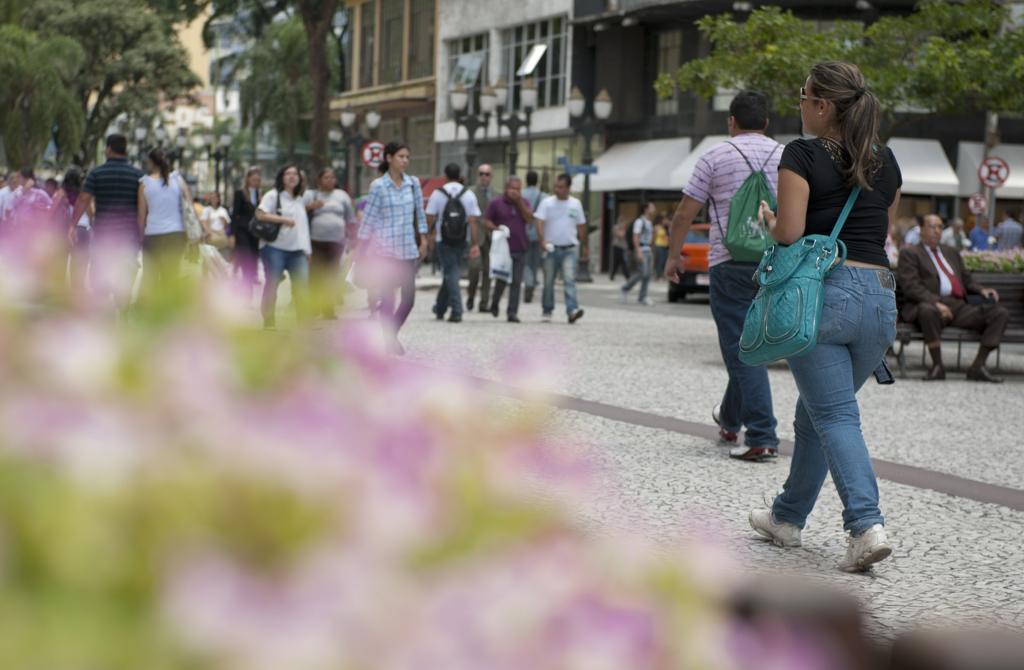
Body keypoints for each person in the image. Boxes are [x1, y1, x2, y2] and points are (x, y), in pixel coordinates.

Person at [751, 61, 902, 572]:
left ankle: (866, 527)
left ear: (821, 105)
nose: (799, 105)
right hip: (880, 298)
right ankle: (787, 518)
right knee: (816, 412)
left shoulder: (801, 153)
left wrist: (771, 220)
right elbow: (879, 231)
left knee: (835, 414)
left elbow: (790, 233)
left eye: (802, 97)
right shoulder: (888, 161)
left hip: (825, 296)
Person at [664, 90, 782, 461]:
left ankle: (762, 435)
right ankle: (730, 419)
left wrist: (673, 256)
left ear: (731, 121)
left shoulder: (714, 156)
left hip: (729, 263)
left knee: (740, 349)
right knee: (750, 346)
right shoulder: (786, 156)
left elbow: (685, 213)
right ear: (766, 122)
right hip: (774, 263)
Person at [897, 214, 1009, 383]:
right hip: (928, 304)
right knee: (927, 311)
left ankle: (978, 366)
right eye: (932, 226)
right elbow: (911, 286)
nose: (936, 231)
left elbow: (966, 278)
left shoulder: (951, 252)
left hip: (957, 307)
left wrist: (982, 290)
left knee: (999, 313)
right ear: (922, 230)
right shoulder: (910, 253)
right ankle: (937, 366)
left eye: (940, 227)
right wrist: (936, 302)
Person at [357, 141, 428, 354]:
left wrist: (423, 239)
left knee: (409, 299)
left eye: (407, 157)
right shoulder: (378, 186)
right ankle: (389, 341)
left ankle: (390, 335)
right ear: (389, 158)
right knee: (388, 298)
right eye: (401, 156)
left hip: (407, 248)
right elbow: (368, 219)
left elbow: (420, 214)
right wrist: (360, 248)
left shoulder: (413, 183)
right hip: (384, 250)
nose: (405, 161)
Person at [69, 134, 145, 310]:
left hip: (104, 235)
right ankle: (122, 314)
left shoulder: (96, 173)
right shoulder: (138, 175)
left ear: (109, 149)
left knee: (101, 277)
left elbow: (83, 198)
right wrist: (141, 235)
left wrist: (72, 224)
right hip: (129, 236)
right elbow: (143, 208)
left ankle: (102, 314)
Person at [254, 164, 312, 329]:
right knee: (272, 284)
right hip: (274, 248)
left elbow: (303, 227)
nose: (292, 176)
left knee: (301, 287)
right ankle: (269, 321)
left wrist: (308, 250)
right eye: (288, 174)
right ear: (282, 177)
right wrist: (283, 220)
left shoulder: (299, 199)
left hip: (297, 251)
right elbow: (259, 214)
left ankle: (302, 323)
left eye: (295, 174)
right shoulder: (273, 196)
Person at [425, 163, 481, 323]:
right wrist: (475, 243)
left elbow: (429, 216)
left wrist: (427, 236)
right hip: (462, 239)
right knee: (451, 272)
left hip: (443, 239)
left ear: (445, 175)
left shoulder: (438, 193)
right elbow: (473, 221)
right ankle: (440, 308)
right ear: (459, 175)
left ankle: (457, 310)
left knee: (451, 273)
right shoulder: (468, 194)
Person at [137, 148, 190, 297]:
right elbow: (189, 207)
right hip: (176, 234)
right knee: (171, 276)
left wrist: (140, 238)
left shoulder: (144, 183)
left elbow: (141, 216)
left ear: (151, 162)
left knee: (151, 277)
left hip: (152, 235)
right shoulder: (178, 180)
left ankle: (154, 314)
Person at [535, 173, 586, 324]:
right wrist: (542, 240)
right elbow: (539, 222)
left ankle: (572, 310)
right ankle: (547, 310)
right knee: (549, 281)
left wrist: (583, 245)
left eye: (561, 187)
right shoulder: (547, 203)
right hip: (551, 248)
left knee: (569, 279)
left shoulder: (576, 204)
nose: (557, 189)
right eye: (556, 186)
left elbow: (581, 225)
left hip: (570, 248)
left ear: (568, 188)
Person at [304, 168, 355, 319]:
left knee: (331, 274)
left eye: (332, 177)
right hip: (315, 241)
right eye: (326, 177)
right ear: (319, 180)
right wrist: (310, 207)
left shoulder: (342, 196)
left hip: (336, 242)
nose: (329, 180)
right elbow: (298, 212)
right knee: (316, 274)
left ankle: (328, 308)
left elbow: (350, 218)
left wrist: (353, 238)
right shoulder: (310, 195)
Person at [486, 176, 533, 322]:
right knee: (501, 280)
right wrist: (496, 228)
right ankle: (495, 303)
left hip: (520, 247)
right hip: (503, 250)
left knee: (516, 282)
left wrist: (520, 204)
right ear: (506, 188)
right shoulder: (496, 203)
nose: (515, 192)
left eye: (518, 189)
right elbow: (486, 220)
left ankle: (512, 312)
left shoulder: (524, 202)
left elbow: (530, 219)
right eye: (512, 189)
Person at [53, 167, 92, 288]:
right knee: (79, 263)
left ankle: (58, 292)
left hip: (64, 230)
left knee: (60, 262)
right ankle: (76, 294)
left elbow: (52, 210)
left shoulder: (60, 193)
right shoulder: (84, 194)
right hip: (82, 229)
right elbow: (91, 213)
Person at [466, 164, 495, 312]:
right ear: (477, 175)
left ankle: (484, 303)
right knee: (474, 269)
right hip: (475, 237)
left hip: (491, 239)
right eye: (481, 174)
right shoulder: (470, 192)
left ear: (491, 176)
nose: (484, 177)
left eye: (487, 174)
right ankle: (471, 296)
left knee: (489, 272)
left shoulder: (495, 194)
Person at [231, 167, 263, 294]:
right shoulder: (240, 193)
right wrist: (232, 234)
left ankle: (252, 275)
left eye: (257, 179)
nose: (255, 181)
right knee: (246, 255)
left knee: (254, 254)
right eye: (253, 178)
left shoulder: (260, 193)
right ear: (248, 179)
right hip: (242, 230)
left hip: (255, 231)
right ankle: (246, 282)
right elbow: (235, 214)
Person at [620, 202, 657, 305]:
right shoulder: (639, 221)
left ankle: (642, 297)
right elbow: (635, 236)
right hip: (642, 249)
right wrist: (638, 251)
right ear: (646, 209)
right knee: (642, 272)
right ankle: (625, 288)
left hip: (648, 250)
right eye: (652, 207)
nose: (654, 209)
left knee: (647, 275)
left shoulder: (649, 222)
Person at [521, 170, 546, 303]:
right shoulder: (544, 196)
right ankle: (532, 281)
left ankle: (528, 283)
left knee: (525, 262)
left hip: (524, 232)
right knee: (535, 262)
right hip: (538, 233)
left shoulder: (521, 195)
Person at [652, 214, 670, 280]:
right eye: (665, 220)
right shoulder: (657, 227)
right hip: (659, 245)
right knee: (660, 261)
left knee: (664, 261)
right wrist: (652, 246)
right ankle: (658, 275)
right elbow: (653, 237)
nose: (666, 221)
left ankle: (662, 275)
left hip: (665, 246)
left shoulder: (666, 228)